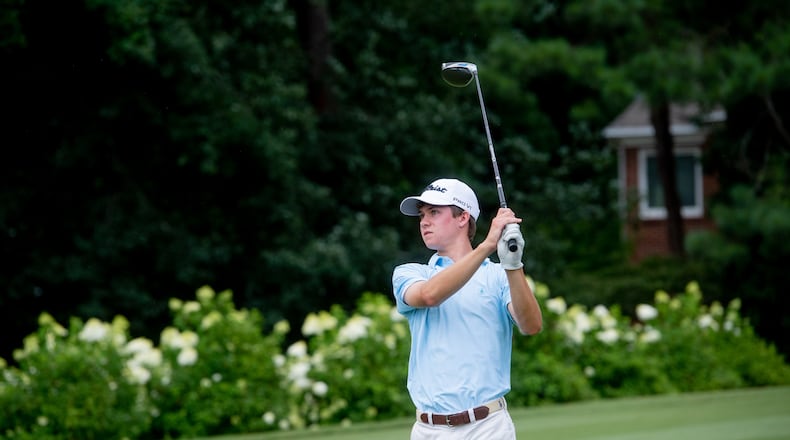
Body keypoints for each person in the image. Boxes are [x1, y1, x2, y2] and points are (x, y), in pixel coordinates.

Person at [392, 178, 543, 439]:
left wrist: (513, 265)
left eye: (434, 213)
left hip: (488, 427)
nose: (424, 221)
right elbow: (429, 295)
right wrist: (487, 246)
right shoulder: (411, 273)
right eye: (422, 215)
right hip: (428, 430)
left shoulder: (498, 276)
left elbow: (531, 326)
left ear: (463, 218)